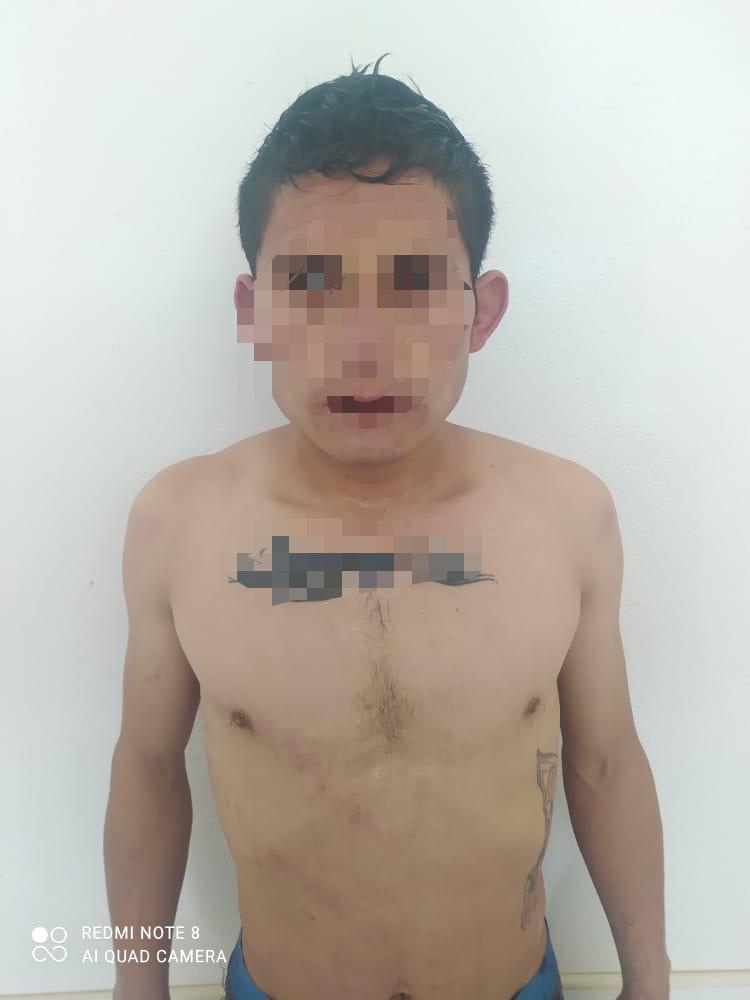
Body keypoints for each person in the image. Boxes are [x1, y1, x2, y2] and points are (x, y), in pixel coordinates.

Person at [104, 54, 670, 1000]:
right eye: (310, 284)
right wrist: (137, 986)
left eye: (413, 284)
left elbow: (607, 766)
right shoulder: (177, 524)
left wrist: (650, 982)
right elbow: (148, 772)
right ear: (253, 312)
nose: (364, 347)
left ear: (481, 311)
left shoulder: (569, 515)